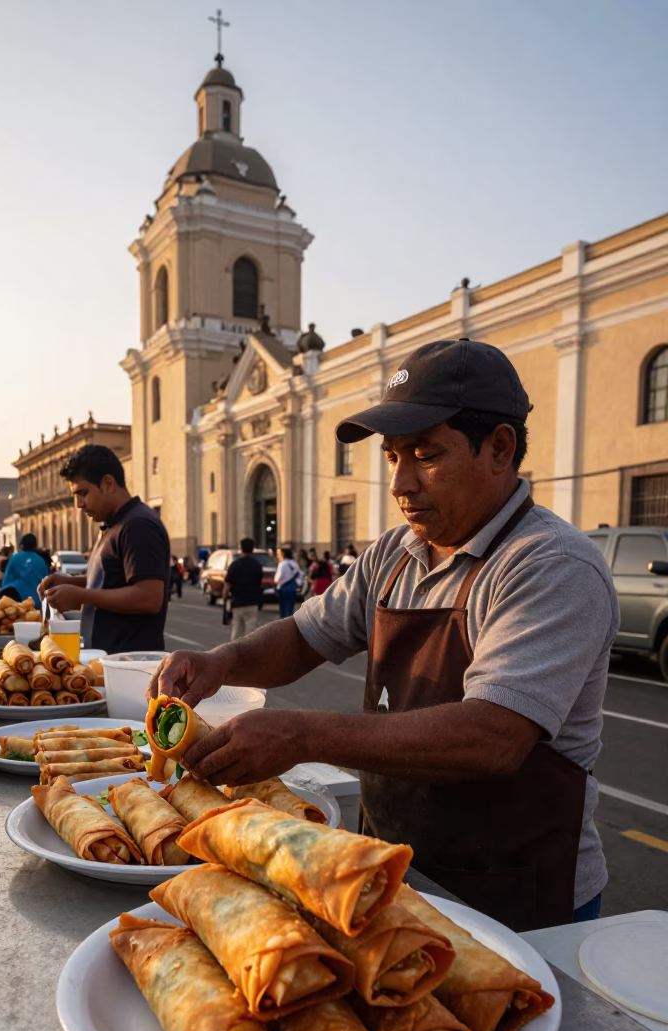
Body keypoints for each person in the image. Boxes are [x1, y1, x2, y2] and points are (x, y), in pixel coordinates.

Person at [150, 339, 620, 933]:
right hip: (391, 872)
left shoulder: (549, 565)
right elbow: (303, 635)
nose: (401, 482)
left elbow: (492, 736)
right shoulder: (396, 553)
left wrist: (299, 733)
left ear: (500, 448)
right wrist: (221, 660)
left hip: (518, 895)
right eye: (393, 457)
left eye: (425, 455)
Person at [39, 445, 170, 653]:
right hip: (108, 660)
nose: (78, 504)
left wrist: (81, 595)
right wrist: (69, 583)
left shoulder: (138, 525)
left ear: (108, 483)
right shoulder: (112, 524)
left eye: (83, 493)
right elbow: (111, 581)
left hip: (131, 665)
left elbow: (149, 597)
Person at [222, 538, 263, 641]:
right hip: (253, 602)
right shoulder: (257, 565)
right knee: (251, 633)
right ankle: (250, 654)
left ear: (241, 549)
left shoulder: (235, 565)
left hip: (238, 602)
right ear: (253, 549)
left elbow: (227, 585)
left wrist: (225, 599)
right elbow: (259, 583)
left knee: (236, 633)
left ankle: (236, 655)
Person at [0, 533, 49, 607]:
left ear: (21, 546)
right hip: (38, 603)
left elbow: (6, 581)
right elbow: (46, 582)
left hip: (17, 603)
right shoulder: (41, 561)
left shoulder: (15, 558)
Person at [273, 546, 301, 618]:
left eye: (278, 554)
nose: (277, 556)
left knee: (283, 609)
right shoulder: (295, 563)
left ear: (283, 554)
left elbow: (277, 578)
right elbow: (298, 576)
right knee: (290, 608)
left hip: (283, 588)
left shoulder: (282, 564)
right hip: (292, 588)